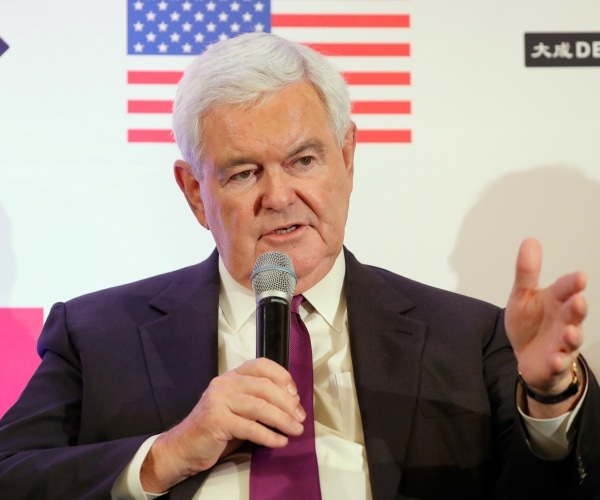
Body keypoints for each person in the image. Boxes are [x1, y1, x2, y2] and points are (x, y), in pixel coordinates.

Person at [0, 32, 598, 500]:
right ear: (192, 191)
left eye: (303, 160)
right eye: (242, 172)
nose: (280, 196)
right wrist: (167, 454)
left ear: (347, 158)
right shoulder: (97, 333)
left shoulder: (468, 337)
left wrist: (550, 400)